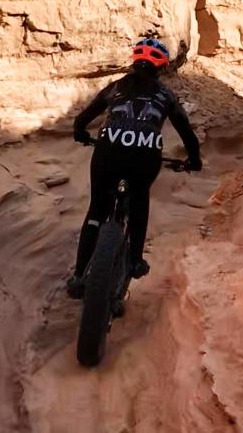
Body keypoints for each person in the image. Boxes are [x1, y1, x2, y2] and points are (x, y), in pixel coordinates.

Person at [66, 37, 202, 299]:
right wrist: (194, 161)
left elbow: (82, 119)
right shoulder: (166, 95)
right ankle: (136, 260)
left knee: (97, 209)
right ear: (161, 67)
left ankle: (79, 275)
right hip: (145, 155)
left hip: (109, 151)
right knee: (139, 201)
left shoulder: (116, 87)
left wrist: (81, 133)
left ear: (134, 61)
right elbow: (187, 134)